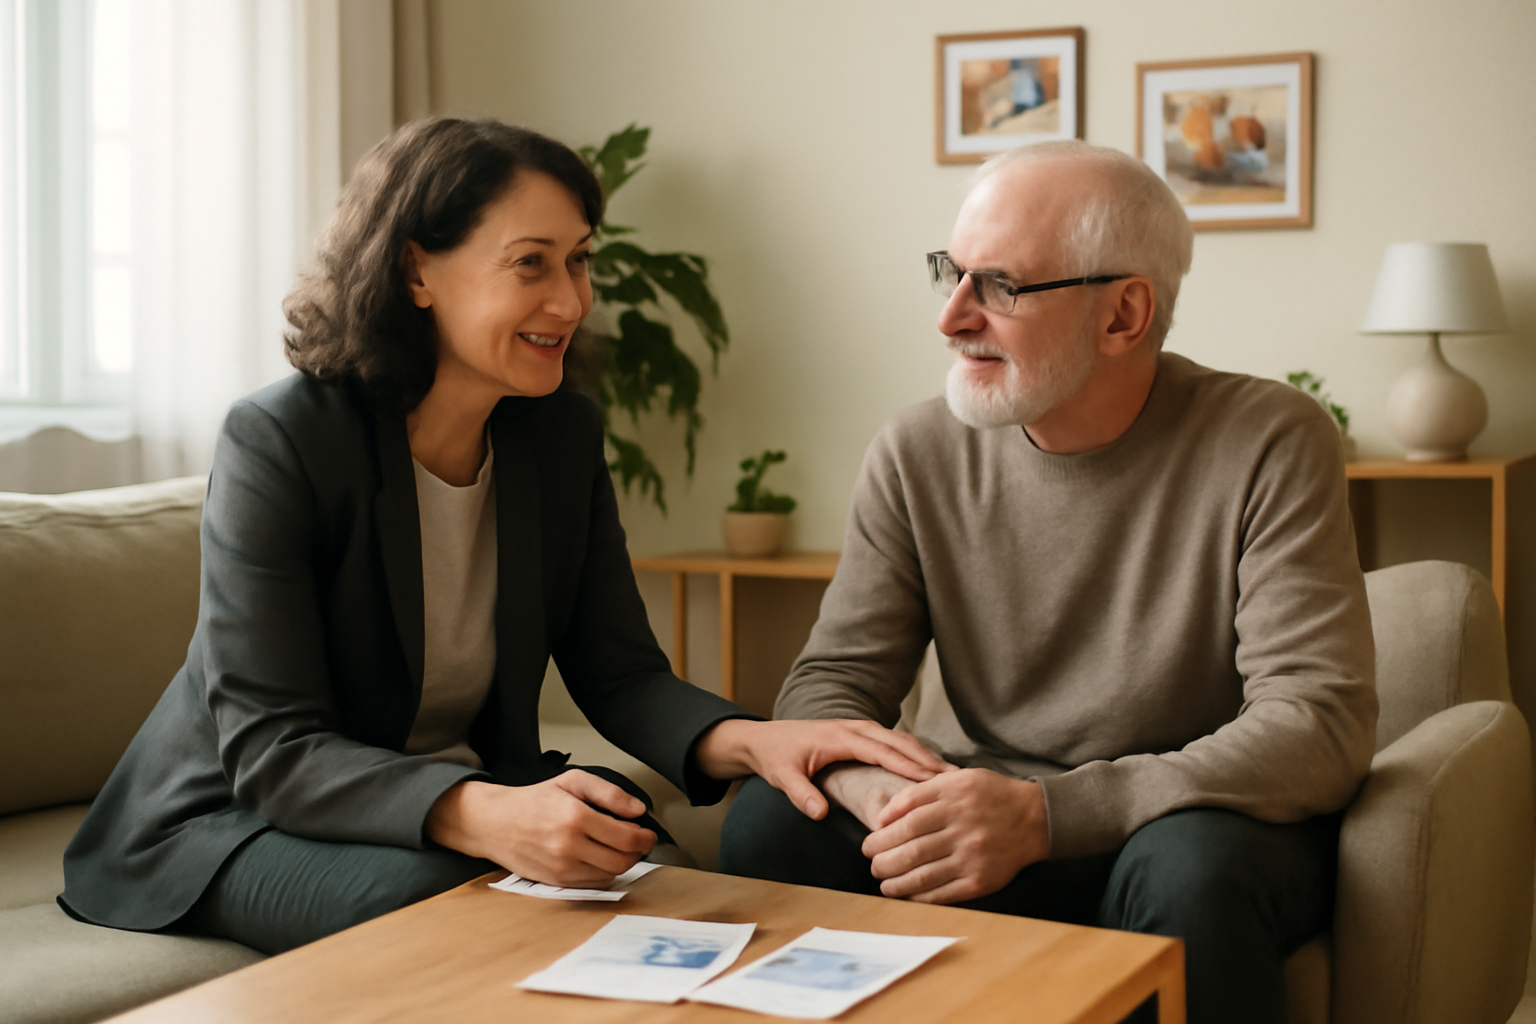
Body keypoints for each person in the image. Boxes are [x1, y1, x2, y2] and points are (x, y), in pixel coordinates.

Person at [58, 117, 945, 956]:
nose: (572, 299)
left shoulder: (558, 436)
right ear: (416, 270)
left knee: (661, 877)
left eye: (579, 261)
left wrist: (760, 740)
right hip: (234, 820)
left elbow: (621, 676)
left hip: (464, 792)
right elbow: (274, 750)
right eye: (531, 264)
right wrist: (484, 814)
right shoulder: (281, 441)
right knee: (463, 906)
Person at [718, 140, 1377, 1024]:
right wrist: (885, 801)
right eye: (951, 273)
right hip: (976, 816)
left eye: (999, 286)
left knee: (1194, 874)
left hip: (1180, 817)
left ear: (1123, 315)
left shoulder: (1269, 439)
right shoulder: (915, 452)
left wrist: (1048, 815)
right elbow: (829, 685)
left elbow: (1317, 725)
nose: (951, 317)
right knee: (769, 820)